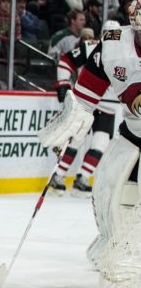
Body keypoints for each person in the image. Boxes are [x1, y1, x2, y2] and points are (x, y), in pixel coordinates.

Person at [38, 0, 141, 288]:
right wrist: (77, 111)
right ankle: (113, 245)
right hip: (132, 136)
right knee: (108, 196)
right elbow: (89, 86)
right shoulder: (114, 42)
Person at [50, 21, 120, 196]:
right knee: (76, 141)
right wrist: (63, 83)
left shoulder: (126, 54)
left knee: (100, 144)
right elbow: (66, 61)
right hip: (87, 103)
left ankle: (82, 179)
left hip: (108, 108)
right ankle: (57, 177)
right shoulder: (91, 47)